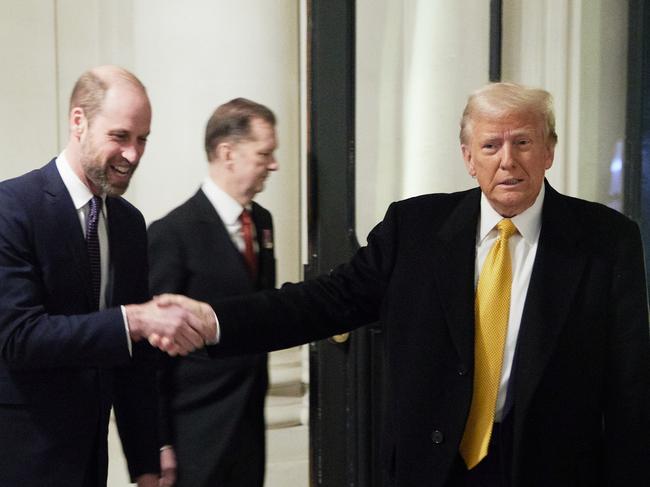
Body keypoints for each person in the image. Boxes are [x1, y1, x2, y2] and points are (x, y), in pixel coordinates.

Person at [158, 82, 650, 486]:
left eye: (522, 142)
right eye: (490, 145)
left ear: (548, 151)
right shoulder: (413, 229)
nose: (508, 160)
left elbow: (629, 390)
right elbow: (325, 301)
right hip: (432, 470)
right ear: (468, 157)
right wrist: (215, 319)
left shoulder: (607, 243)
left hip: (549, 472)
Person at [0, 65, 216, 487]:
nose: (133, 155)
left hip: (90, 463)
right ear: (78, 121)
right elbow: (18, 337)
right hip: (20, 462)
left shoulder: (129, 224)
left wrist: (146, 463)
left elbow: (133, 362)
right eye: (120, 136)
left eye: (142, 139)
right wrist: (133, 320)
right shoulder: (12, 208)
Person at [148, 98, 278, 487]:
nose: (274, 165)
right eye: (264, 154)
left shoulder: (263, 222)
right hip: (195, 431)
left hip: (249, 424)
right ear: (228, 154)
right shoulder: (171, 234)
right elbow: (151, 354)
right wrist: (158, 443)